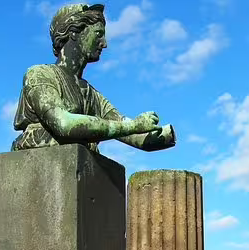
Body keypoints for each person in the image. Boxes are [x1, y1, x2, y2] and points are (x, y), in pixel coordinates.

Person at [12, 3, 176, 152]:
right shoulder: (39, 74)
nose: (104, 43)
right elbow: (63, 124)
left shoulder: (91, 94)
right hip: (42, 162)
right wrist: (134, 126)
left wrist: (164, 134)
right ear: (74, 32)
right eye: (98, 34)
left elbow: (135, 136)